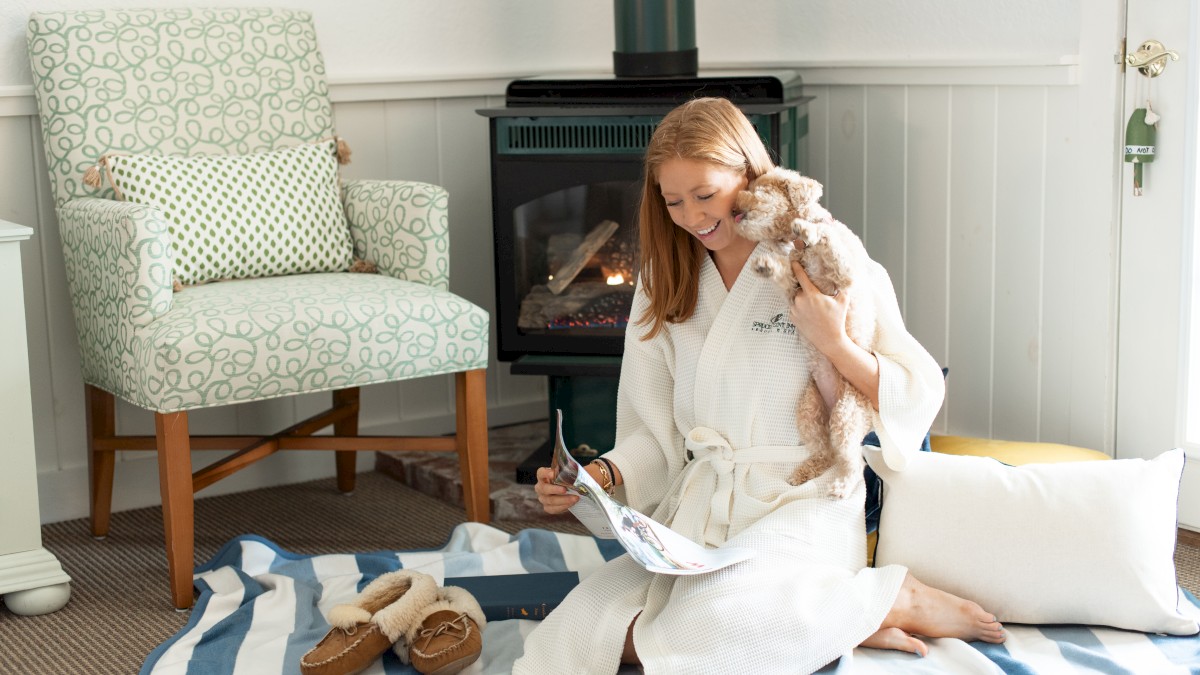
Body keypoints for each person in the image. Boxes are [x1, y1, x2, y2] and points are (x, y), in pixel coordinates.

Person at [513, 97, 1005, 674]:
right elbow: (655, 433)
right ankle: (832, 622)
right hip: (702, 505)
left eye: (705, 195)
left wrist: (836, 344)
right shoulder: (665, 279)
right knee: (571, 636)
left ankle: (894, 598)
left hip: (802, 498)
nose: (692, 217)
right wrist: (598, 479)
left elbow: (916, 388)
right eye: (673, 201)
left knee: (699, 627)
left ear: (747, 174)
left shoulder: (817, 251)